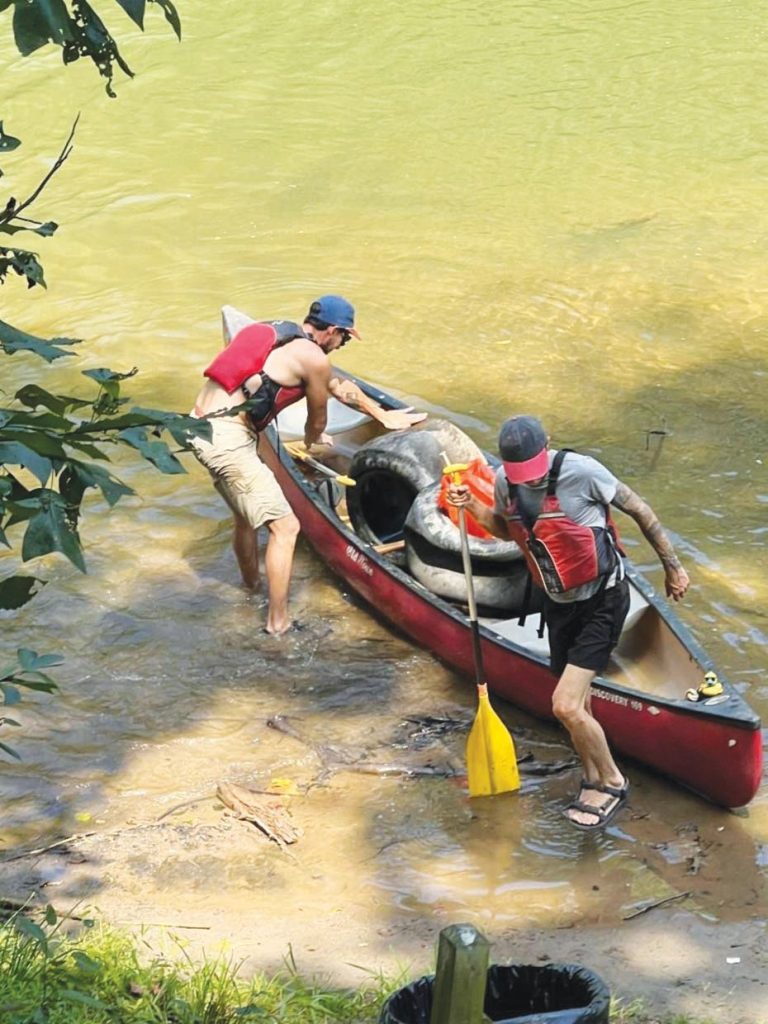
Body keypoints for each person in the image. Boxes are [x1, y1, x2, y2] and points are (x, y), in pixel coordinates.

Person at [447, 414, 690, 831]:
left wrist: (674, 568)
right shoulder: (508, 482)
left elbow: (641, 512)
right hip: (556, 604)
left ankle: (612, 779)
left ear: (549, 446)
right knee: (579, 704)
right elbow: (508, 531)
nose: (527, 481)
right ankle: (591, 775)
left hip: (603, 600)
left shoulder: (584, 472)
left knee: (564, 704)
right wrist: (470, 504)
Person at [191, 294, 425, 636]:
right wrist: (317, 441)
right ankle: (278, 624)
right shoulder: (313, 358)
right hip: (228, 440)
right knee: (286, 529)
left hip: (200, 426)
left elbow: (339, 388)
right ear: (331, 330)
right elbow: (316, 421)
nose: (344, 343)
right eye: (344, 337)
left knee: (245, 517)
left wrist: (381, 414)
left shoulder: (280, 333)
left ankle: (250, 588)